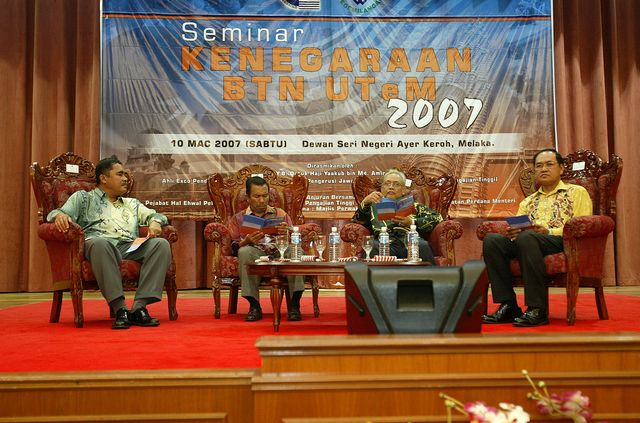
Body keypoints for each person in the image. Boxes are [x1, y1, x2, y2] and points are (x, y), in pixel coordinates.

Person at [47, 156, 171, 329]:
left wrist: (155, 222)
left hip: (128, 246)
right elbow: (56, 213)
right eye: (120, 174)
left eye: (125, 175)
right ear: (103, 178)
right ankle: (120, 309)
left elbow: (156, 215)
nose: (126, 178)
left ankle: (139, 308)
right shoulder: (83, 198)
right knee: (100, 243)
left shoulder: (131, 203)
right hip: (98, 245)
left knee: (161, 244)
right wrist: (60, 215)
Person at [481, 149, 593, 327]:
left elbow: (583, 223)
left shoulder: (577, 192)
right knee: (492, 241)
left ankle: (537, 309)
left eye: (549, 164)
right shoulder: (528, 201)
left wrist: (548, 231)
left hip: (562, 241)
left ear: (561, 168)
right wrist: (514, 232)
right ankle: (508, 305)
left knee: (528, 237)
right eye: (539, 166)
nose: (544, 169)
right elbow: (519, 226)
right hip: (529, 241)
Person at [228, 176, 304, 322]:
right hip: (255, 252)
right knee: (244, 252)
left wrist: (288, 233)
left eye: (265, 196)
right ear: (248, 198)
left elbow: (295, 237)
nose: (262, 200)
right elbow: (232, 247)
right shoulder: (238, 218)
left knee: (295, 250)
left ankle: (294, 306)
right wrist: (246, 241)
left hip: (279, 251)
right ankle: (254, 306)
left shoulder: (280, 214)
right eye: (257, 196)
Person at [352, 169, 442, 264]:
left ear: (403, 190)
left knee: (422, 245)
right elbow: (357, 222)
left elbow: (438, 218)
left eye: (396, 184)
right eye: (387, 184)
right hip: (383, 243)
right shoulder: (371, 206)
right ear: (381, 188)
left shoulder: (414, 206)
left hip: (409, 242)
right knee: (373, 247)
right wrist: (364, 203)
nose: (391, 187)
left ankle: (428, 274)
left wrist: (412, 222)